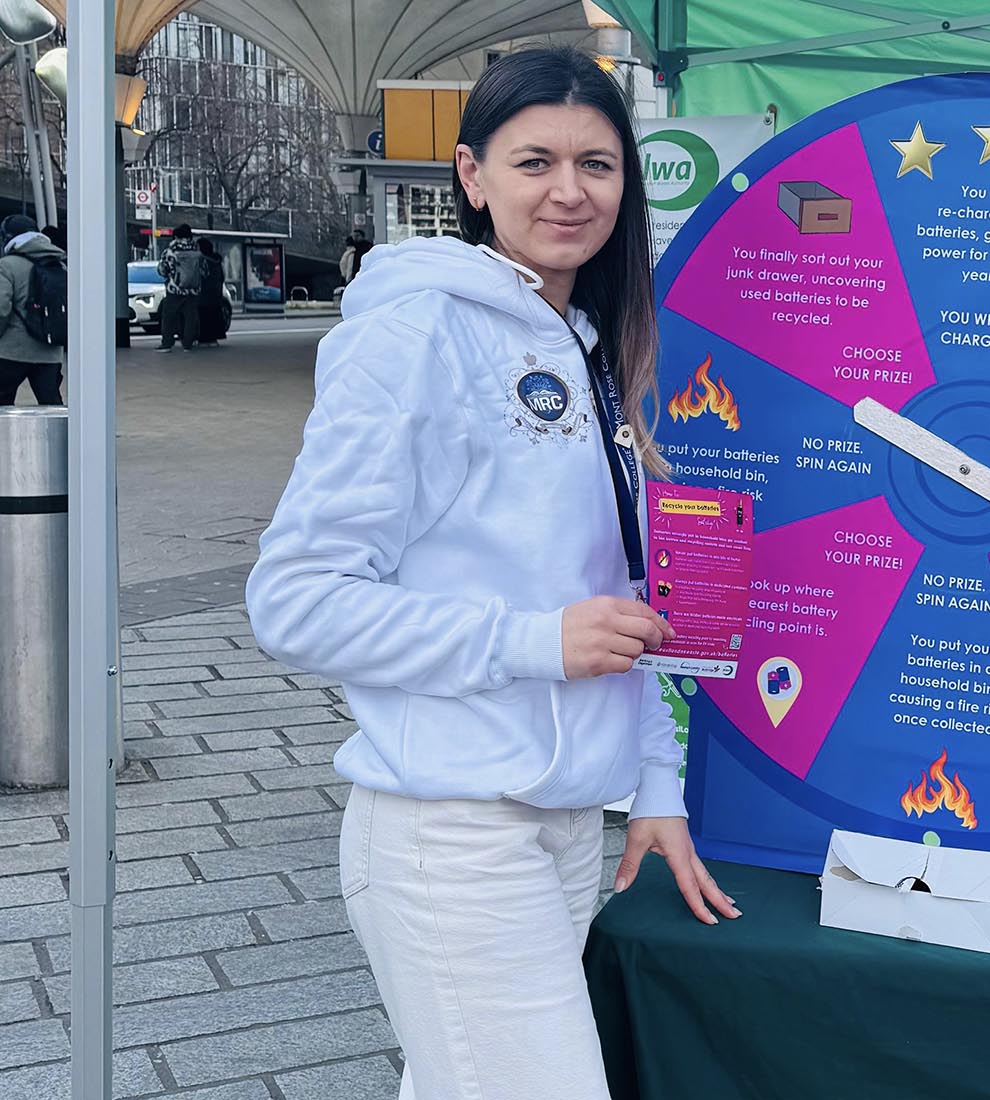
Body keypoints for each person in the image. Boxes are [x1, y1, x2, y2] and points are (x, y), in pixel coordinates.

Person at [246, 48, 736, 1100]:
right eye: (534, 162)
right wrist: (531, 641)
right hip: (453, 830)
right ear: (471, 176)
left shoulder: (588, 342)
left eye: (597, 164)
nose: (570, 191)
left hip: (564, 826)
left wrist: (655, 782)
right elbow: (296, 600)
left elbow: (622, 602)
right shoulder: (417, 330)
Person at [0, 212, 63, 405]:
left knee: (2, 406)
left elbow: (1, 308)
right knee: (52, 405)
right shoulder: (59, 265)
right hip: (51, 352)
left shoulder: (6, 266)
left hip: (11, 351)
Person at [156, 224, 204, 351]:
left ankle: (167, 343)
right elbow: (204, 271)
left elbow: (163, 270)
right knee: (190, 317)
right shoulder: (197, 250)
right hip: (193, 290)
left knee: (169, 316)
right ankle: (188, 344)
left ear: (176, 236)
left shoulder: (171, 250)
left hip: (175, 289)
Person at [195, 238, 226, 347]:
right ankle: (213, 339)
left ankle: (204, 339)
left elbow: (200, 276)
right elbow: (222, 277)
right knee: (214, 315)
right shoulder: (217, 261)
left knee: (204, 316)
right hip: (216, 294)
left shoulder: (202, 261)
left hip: (203, 294)